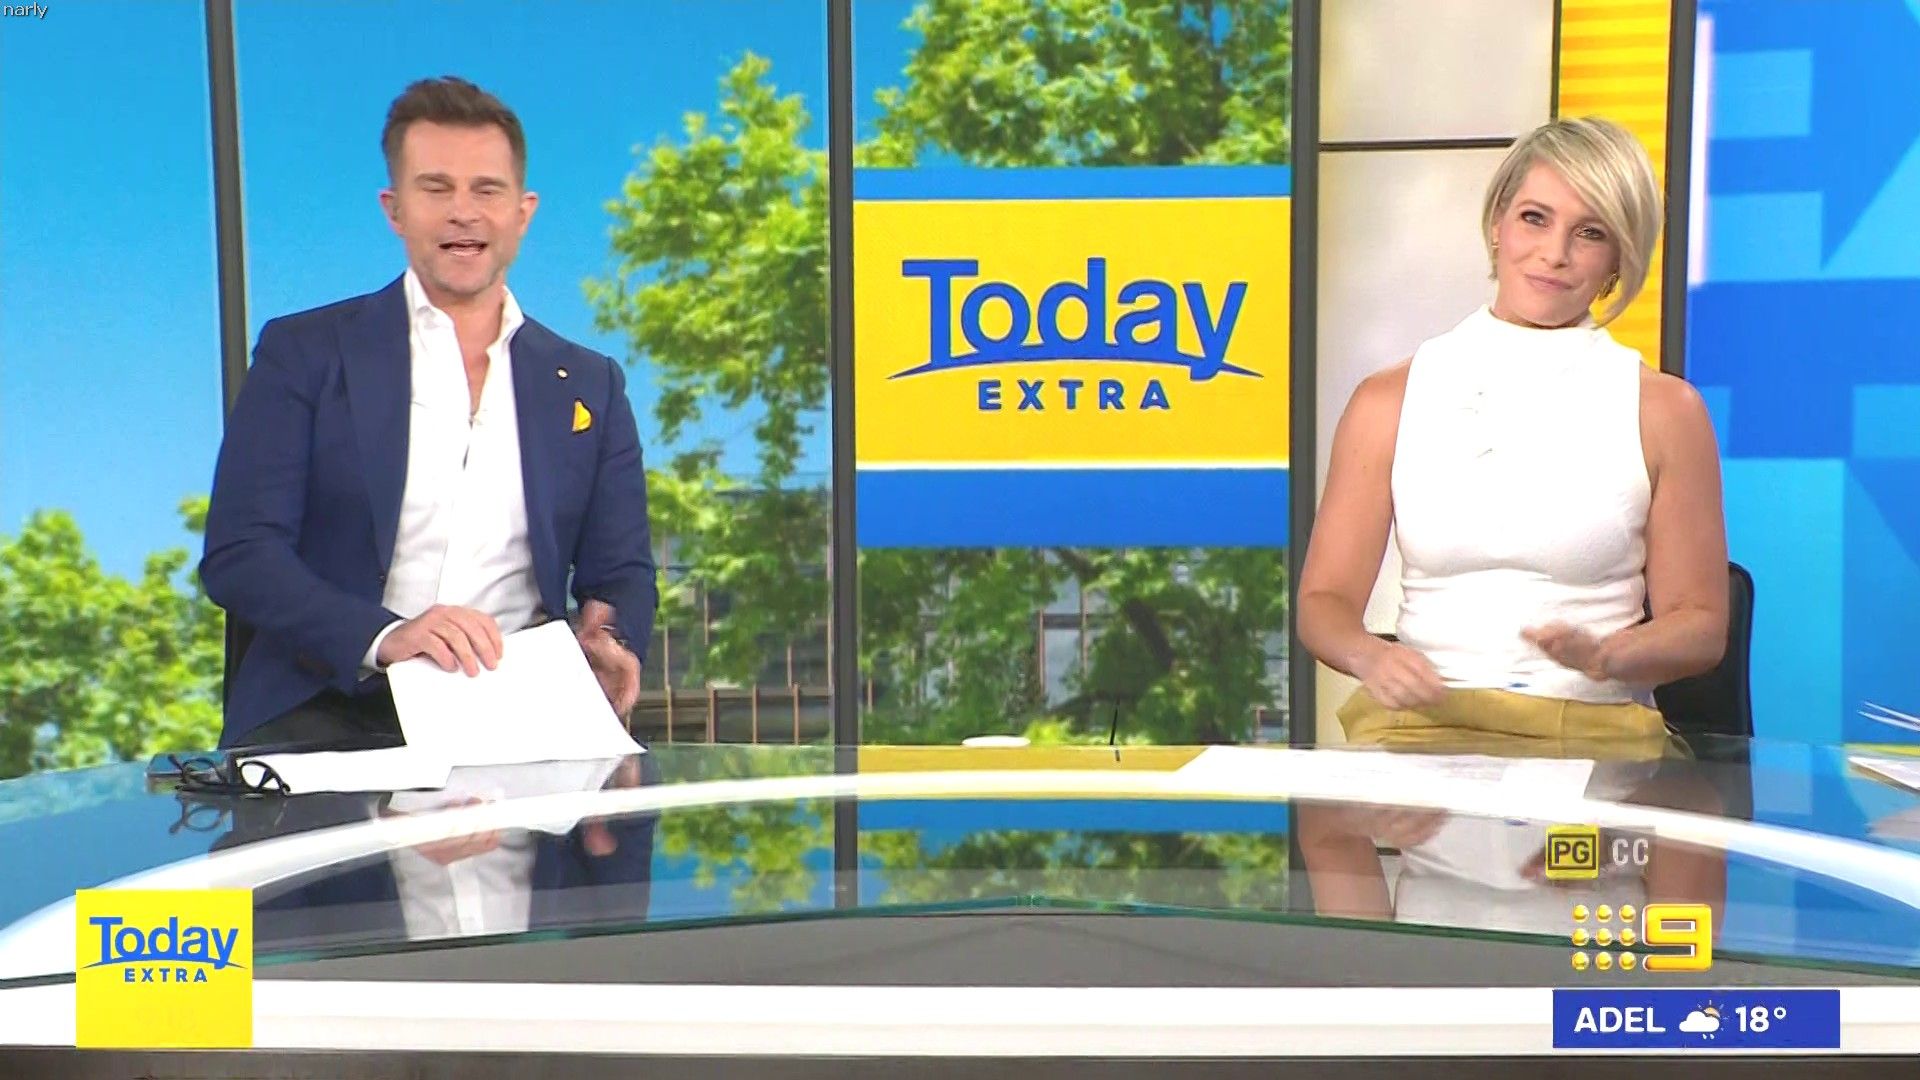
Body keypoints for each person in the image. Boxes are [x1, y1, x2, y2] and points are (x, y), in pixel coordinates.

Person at [1293, 116, 1730, 926]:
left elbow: (1702, 624)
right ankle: (1370, 986)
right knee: (1326, 821)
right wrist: (1369, 657)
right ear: (1497, 224)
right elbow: (1323, 602)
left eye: (1589, 232)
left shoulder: (1666, 411)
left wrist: (1611, 654)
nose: (1554, 253)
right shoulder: (1388, 400)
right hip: (1423, 736)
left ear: (1619, 259)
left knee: (1629, 861)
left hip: (1594, 741)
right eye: (1535, 218)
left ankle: (1655, 999)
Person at [201, 76, 657, 750]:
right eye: (436, 189)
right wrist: (386, 636)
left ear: (523, 211)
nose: (462, 213)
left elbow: (620, 571)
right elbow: (240, 554)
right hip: (327, 714)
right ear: (396, 209)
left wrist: (607, 639)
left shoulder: (592, 385)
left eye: (486, 190)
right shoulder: (305, 353)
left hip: (515, 718)